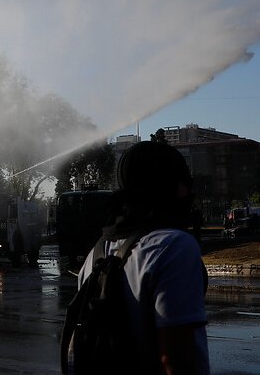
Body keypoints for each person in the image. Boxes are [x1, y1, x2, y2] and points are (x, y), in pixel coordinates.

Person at [75, 141, 209, 374]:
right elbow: (177, 360)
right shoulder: (173, 246)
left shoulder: (94, 255)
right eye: (185, 183)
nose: (189, 193)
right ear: (167, 185)